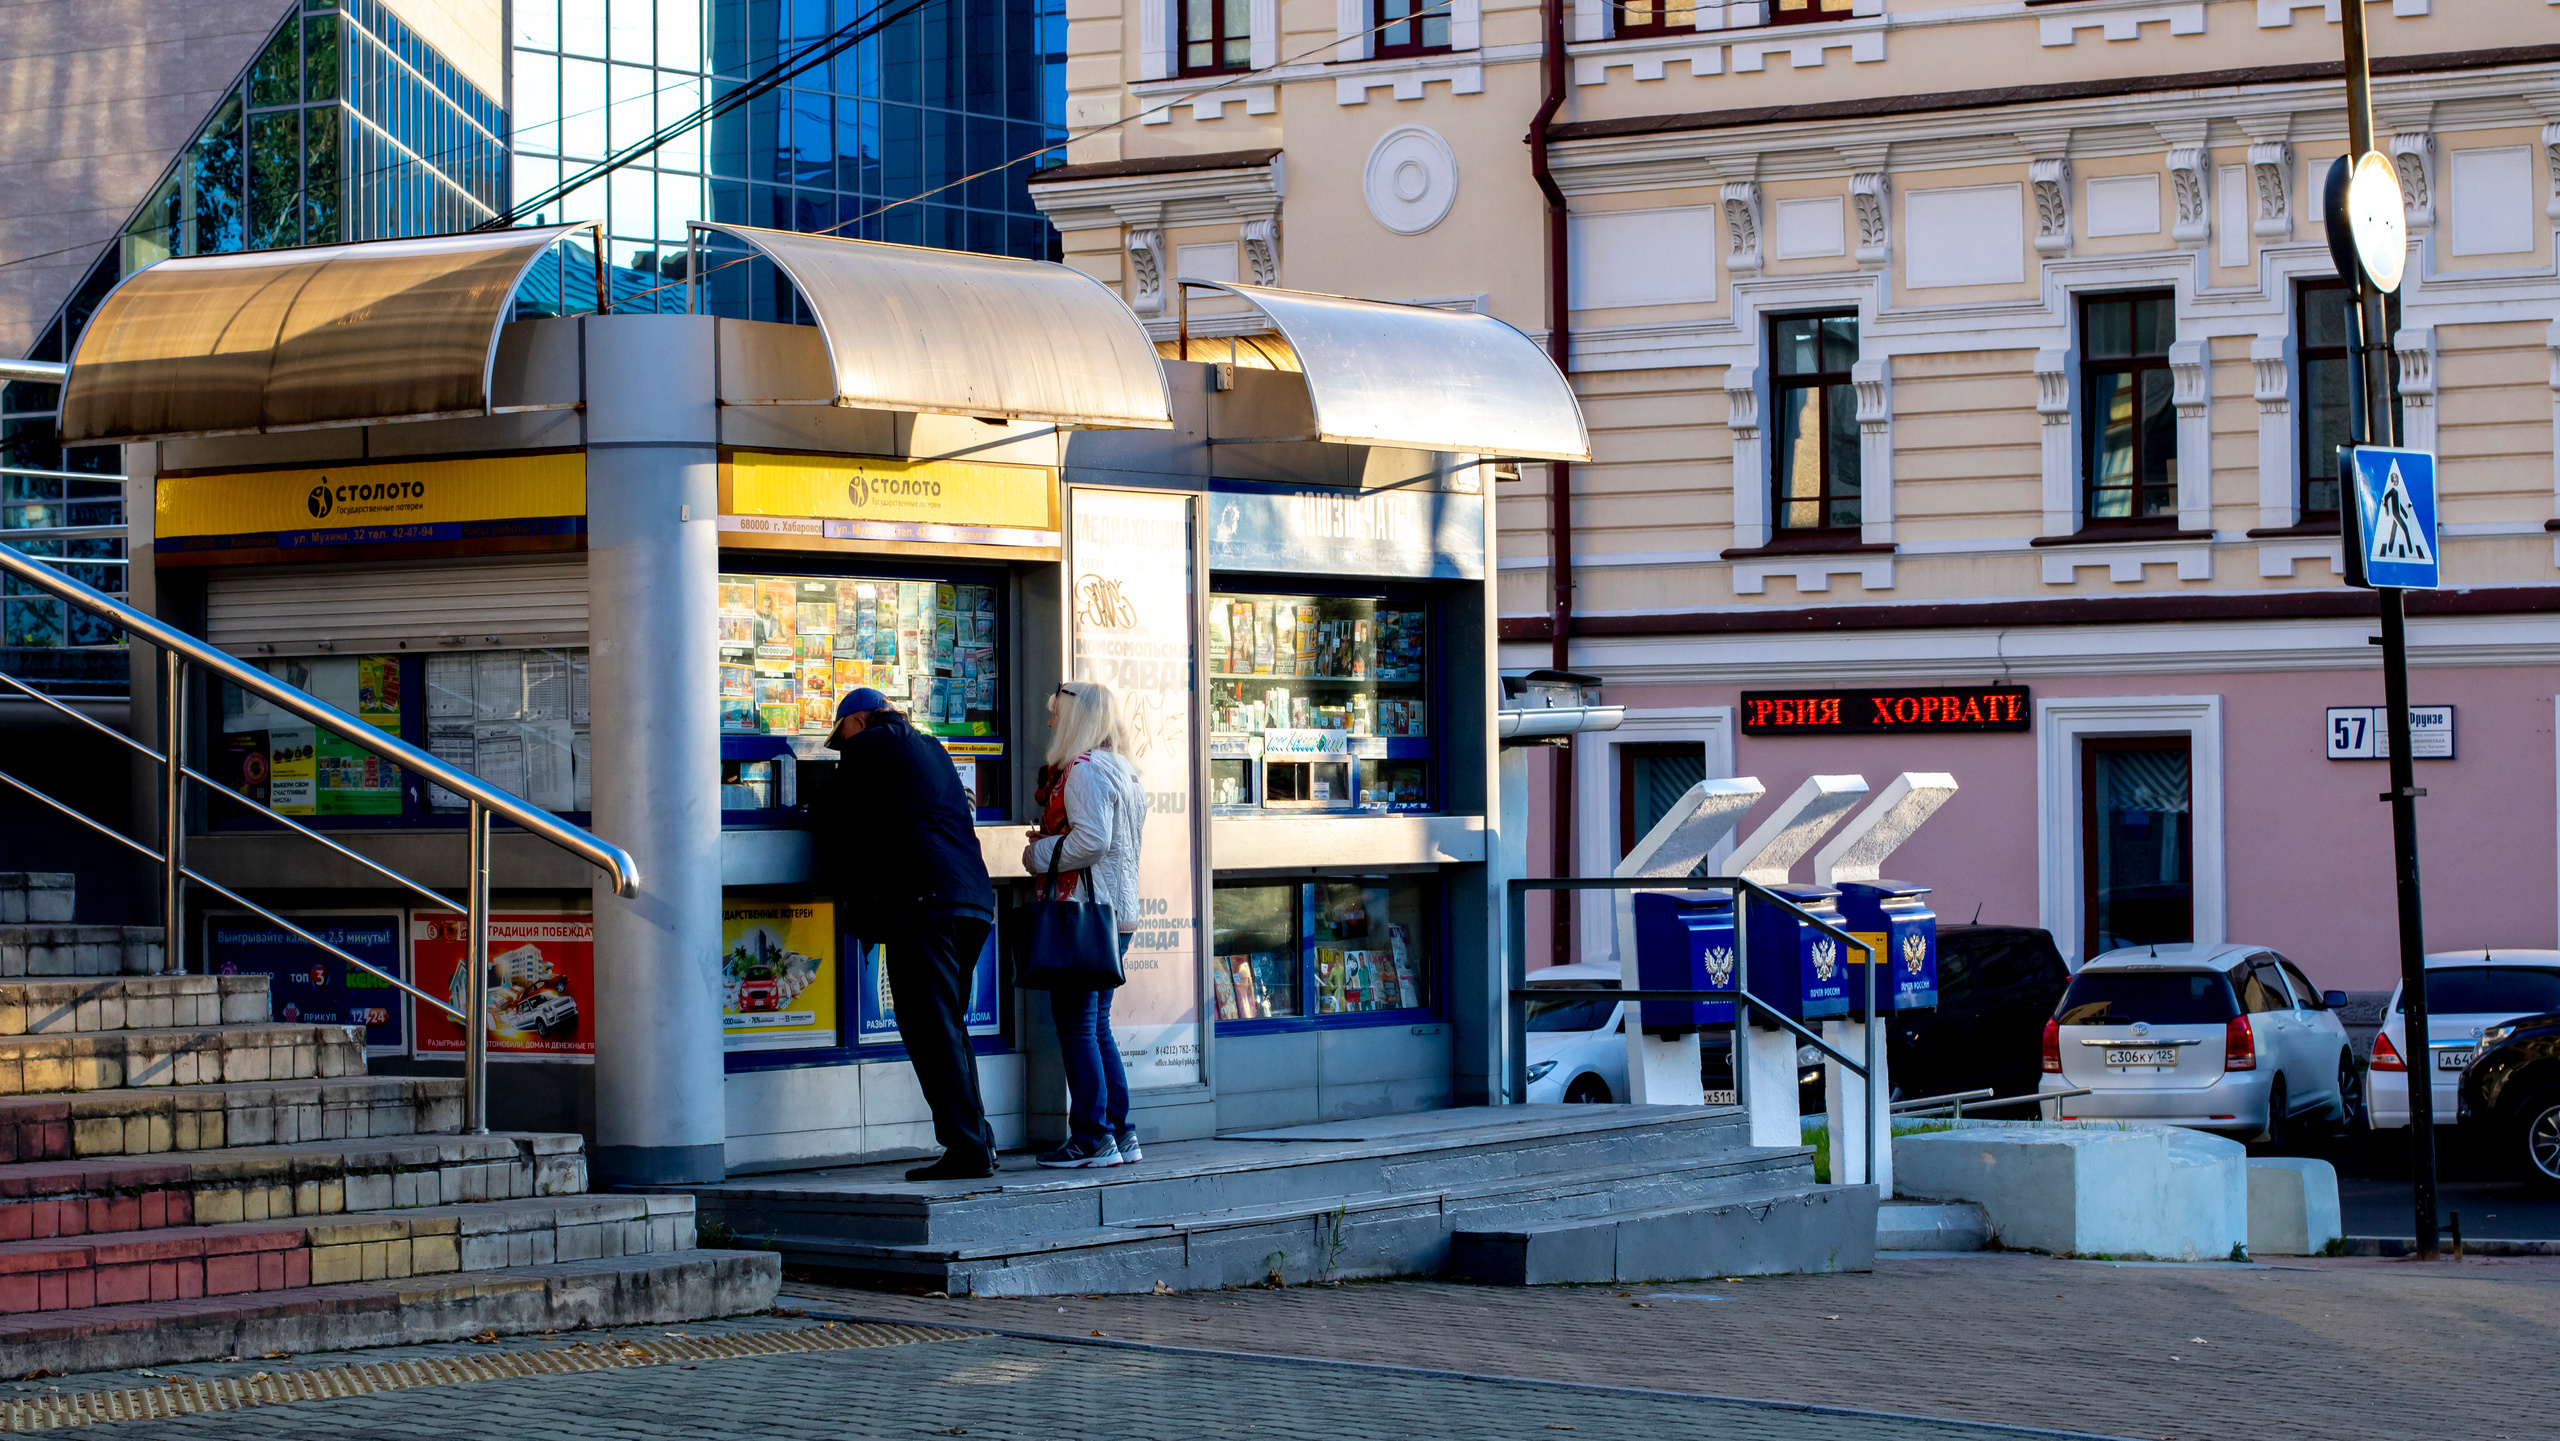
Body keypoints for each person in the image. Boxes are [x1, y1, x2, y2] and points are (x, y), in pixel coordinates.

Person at [820, 687, 1000, 1182]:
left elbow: (832, 814)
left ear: (857, 722)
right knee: (948, 1025)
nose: (842, 750)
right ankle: (978, 1139)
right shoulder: (931, 745)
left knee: (930, 1028)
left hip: (924, 903)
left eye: (842, 738)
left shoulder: (867, 749)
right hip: (971, 901)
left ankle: (966, 1148)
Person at [1023, 679, 1150, 1169]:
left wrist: (1039, 853)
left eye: (1057, 713)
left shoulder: (1082, 771)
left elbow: (1092, 841)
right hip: (1116, 916)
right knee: (1097, 1027)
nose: (1052, 721)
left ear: (1078, 719)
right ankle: (1120, 1133)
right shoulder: (1124, 771)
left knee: (1078, 1027)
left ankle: (1093, 1138)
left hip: (1083, 912)